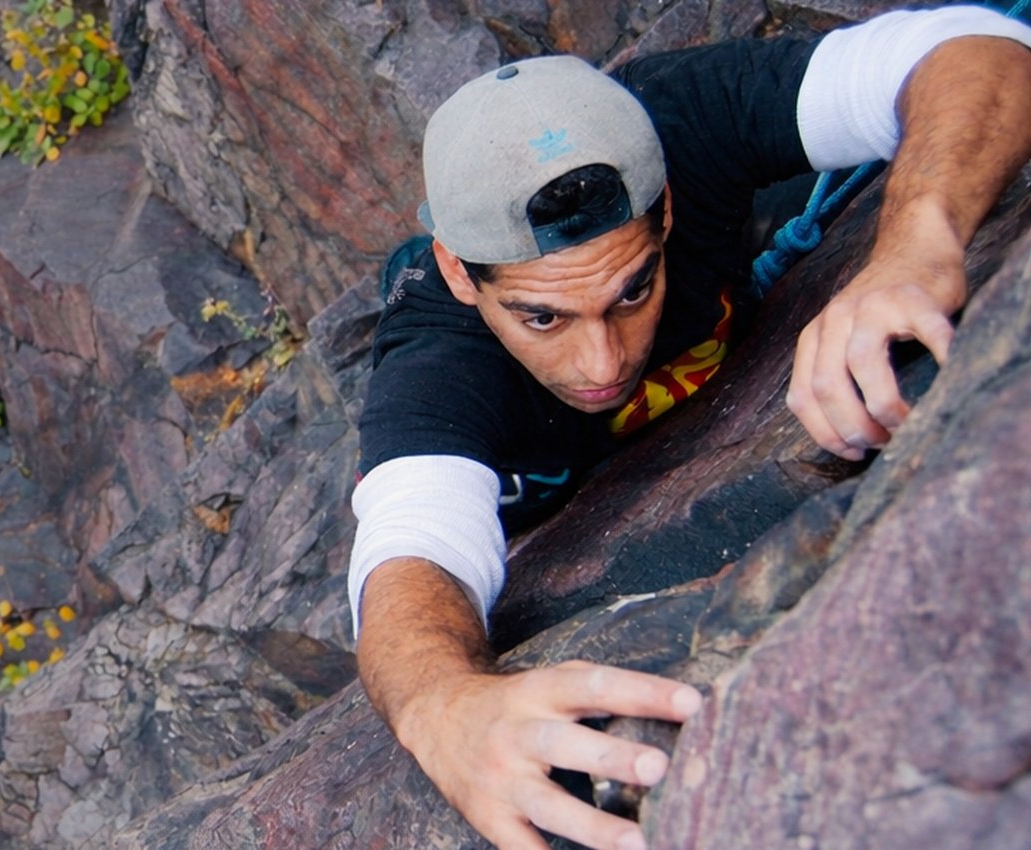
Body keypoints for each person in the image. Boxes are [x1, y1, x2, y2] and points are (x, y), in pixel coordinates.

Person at [348, 6, 1031, 850]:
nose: (602, 362)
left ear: (665, 207)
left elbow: (974, 47)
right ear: (459, 271)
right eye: (542, 318)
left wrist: (912, 246)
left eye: (631, 290)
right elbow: (411, 541)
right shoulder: (436, 354)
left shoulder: (673, 122)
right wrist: (439, 705)